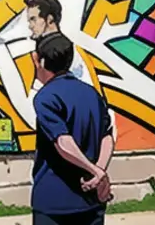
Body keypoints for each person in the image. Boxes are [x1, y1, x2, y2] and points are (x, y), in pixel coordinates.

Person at [31, 32, 115, 225]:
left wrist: (95, 170)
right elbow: (107, 136)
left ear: (40, 61)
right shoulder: (91, 93)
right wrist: (98, 172)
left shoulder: (46, 97)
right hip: (91, 198)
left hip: (54, 201)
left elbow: (62, 141)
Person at [25, 0, 88, 85]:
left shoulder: (53, 47)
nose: (30, 26)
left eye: (34, 19)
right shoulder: (58, 43)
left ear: (50, 19)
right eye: (29, 21)